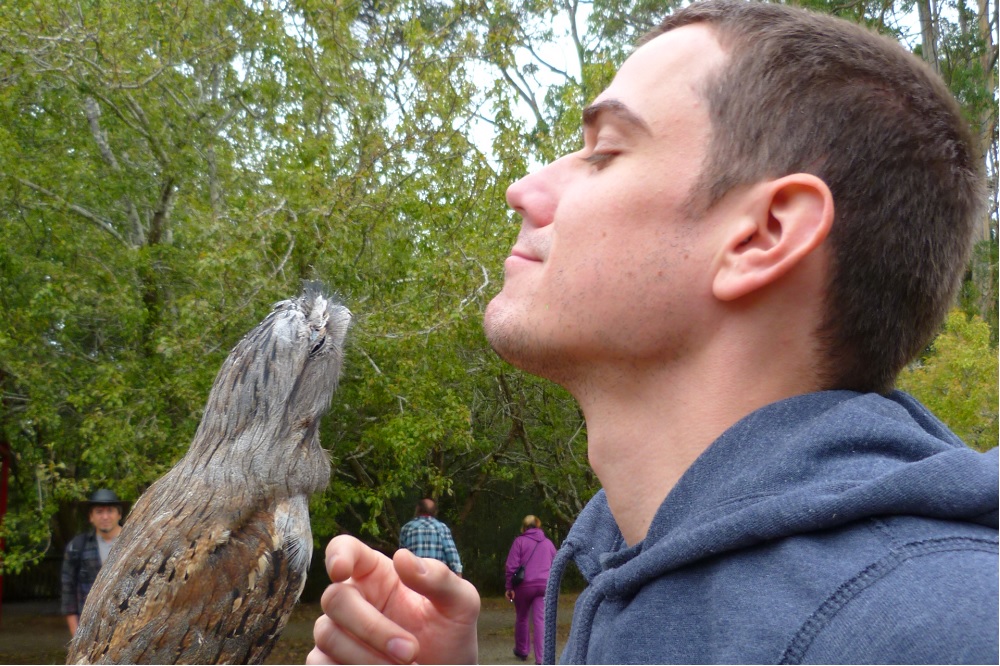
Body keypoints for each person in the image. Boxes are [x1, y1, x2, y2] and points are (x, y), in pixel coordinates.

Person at [308, 1, 999, 663]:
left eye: (605, 151)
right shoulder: (638, 570)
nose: (523, 189)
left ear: (763, 235)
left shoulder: (934, 628)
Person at [60, 488, 126, 636]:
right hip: (90, 629)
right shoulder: (77, 547)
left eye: (110, 510)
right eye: (99, 511)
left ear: (119, 514)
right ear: (91, 517)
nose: (105, 516)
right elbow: (68, 592)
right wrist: (76, 635)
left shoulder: (136, 543)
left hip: (128, 627)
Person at [505, 515, 557, 664]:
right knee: (540, 620)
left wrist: (509, 587)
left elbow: (511, 567)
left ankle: (522, 650)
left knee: (522, 617)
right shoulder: (548, 543)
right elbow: (557, 563)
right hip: (544, 585)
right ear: (539, 526)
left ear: (524, 527)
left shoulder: (519, 542)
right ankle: (541, 659)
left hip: (524, 586)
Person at [398, 498, 463, 576]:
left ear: (417, 509)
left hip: (414, 579)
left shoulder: (407, 528)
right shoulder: (442, 528)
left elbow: (401, 556)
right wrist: (458, 574)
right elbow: (451, 553)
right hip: (437, 578)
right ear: (435, 511)